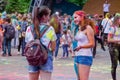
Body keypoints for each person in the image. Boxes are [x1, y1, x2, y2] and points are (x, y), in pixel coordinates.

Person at [28, 6, 57, 80]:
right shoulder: (50, 29)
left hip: (32, 57)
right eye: (48, 15)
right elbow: (53, 47)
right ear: (44, 16)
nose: (49, 17)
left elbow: (27, 42)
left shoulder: (29, 28)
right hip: (45, 57)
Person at [73, 10, 95, 80]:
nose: (74, 20)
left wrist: (81, 47)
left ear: (82, 17)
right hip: (78, 56)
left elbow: (92, 44)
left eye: (76, 17)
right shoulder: (79, 28)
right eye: (74, 18)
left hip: (85, 56)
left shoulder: (88, 28)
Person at [107, 15, 120, 80]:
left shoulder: (119, 28)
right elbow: (109, 39)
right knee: (114, 65)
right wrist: (118, 40)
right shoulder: (112, 28)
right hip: (114, 48)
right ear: (117, 20)